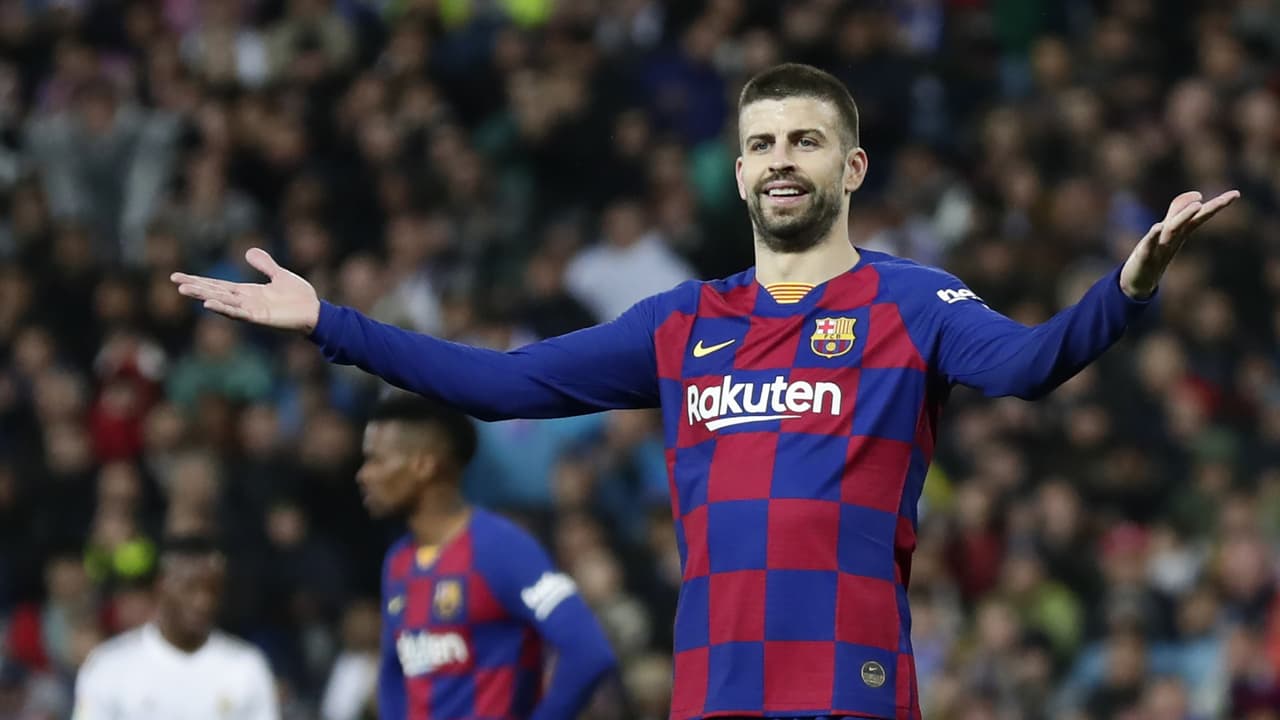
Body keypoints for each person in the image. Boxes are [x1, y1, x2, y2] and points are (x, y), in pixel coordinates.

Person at [171, 63, 1240, 720]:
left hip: (847, 687)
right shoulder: (684, 323)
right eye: (761, 144)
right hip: (714, 691)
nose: (781, 160)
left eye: (805, 141)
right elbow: (500, 383)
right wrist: (330, 323)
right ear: (736, 174)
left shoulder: (911, 303)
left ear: (851, 168)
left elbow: (1030, 364)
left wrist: (1128, 285)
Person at [356, 394, 617, 719]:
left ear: (424, 465)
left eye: (376, 460)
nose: (363, 475)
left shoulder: (500, 548)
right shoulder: (398, 562)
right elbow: (394, 674)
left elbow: (589, 652)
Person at [72, 534, 280, 720]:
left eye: (213, 590)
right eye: (190, 588)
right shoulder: (109, 666)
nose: (203, 602)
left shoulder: (245, 667)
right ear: (161, 586)